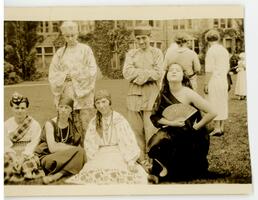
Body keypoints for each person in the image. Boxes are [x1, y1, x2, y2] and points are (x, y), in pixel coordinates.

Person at [148, 63, 217, 183]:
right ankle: (164, 167)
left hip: (190, 135)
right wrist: (172, 122)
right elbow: (155, 117)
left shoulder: (188, 93)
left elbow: (212, 112)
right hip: (172, 131)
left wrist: (197, 127)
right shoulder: (163, 93)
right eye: (171, 70)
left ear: (183, 76)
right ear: (166, 76)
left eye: (178, 70)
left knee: (181, 175)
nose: (174, 72)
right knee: (157, 141)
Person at [66, 90, 148, 184]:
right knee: (95, 172)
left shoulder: (118, 119)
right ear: (95, 105)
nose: (101, 105)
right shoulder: (94, 122)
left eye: (104, 101)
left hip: (117, 151)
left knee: (117, 171)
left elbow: (127, 140)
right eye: (98, 103)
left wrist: (130, 161)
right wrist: (91, 160)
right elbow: (90, 143)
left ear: (109, 102)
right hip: (100, 152)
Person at [48, 21, 98, 145]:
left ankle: (89, 154)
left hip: (84, 95)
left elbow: (92, 70)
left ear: (77, 34)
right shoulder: (60, 53)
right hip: (67, 93)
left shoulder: (85, 50)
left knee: (87, 126)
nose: (70, 38)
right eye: (67, 36)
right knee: (68, 126)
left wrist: (75, 75)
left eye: (73, 35)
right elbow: (53, 73)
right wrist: (65, 76)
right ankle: (72, 155)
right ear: (63, 35)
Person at [122, 26, 164, 172]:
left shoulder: (156, 53)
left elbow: (158, 72)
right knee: (136, 131)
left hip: (151, 94)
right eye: (138, 39)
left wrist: (140, 75)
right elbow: (126, 73)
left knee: (151, 129)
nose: (141, 41)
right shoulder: (131, 54)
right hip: (134, 95)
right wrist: (147, 73)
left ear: (149, 37)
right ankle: (141, 161)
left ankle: (154, 160)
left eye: (144, 38)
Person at [34, 96, 86, 184]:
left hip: (64, 158)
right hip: (49, 158)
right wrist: (72, 149)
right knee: (79, 153)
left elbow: (77, 147)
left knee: (81, 153)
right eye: (61, 107)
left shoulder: (72, 126)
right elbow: (52, 148)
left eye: (66, 107)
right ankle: (68, 169)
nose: (63, 110)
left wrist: (71, 150)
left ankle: (57, 175)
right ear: (57, 108)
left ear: (71, 110)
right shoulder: (50, 124)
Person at [4, 92, 44, 183]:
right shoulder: (6, 125)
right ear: (12, 109)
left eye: (23, 108)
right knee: (6, 164)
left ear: (27, 109)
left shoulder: (34, 124)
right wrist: (14, 158)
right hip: (11, 154)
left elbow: (34, 144)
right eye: (17, 108)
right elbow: (4, 144)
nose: (20, 111)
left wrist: (22, 157)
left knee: (28, 165)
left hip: (28, 154)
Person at [204, 29, 230, 136]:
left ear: (207, 40)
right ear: (218, 38)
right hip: (223, 79)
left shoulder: (211, 51)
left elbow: (209, 69)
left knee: (214, 102)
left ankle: (217, 128)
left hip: (214, 79)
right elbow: (227, 67)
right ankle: (221, 126)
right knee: (222, 101)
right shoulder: (224, 50)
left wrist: (206, 83)